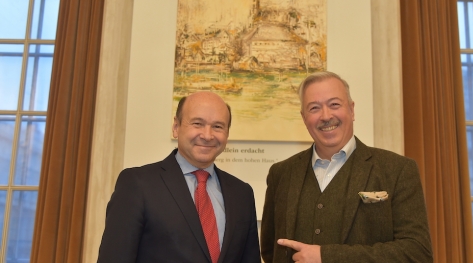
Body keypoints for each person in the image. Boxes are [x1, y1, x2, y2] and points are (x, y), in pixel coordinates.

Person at [260, 72, 433, 263]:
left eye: (334, 104)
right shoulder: (281, 174)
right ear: (303, 117)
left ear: (351, 110)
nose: (326, 116)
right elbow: (270, 252)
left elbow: (417, 253)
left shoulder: (398, 170)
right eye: (314, 108)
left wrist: (327, 257)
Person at [97, 91, 261, 263]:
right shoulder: (138, 184)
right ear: (176, 127)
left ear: (227, 133)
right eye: (197, 123)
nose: (207, 135)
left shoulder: (242, 194)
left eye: (218, 126)